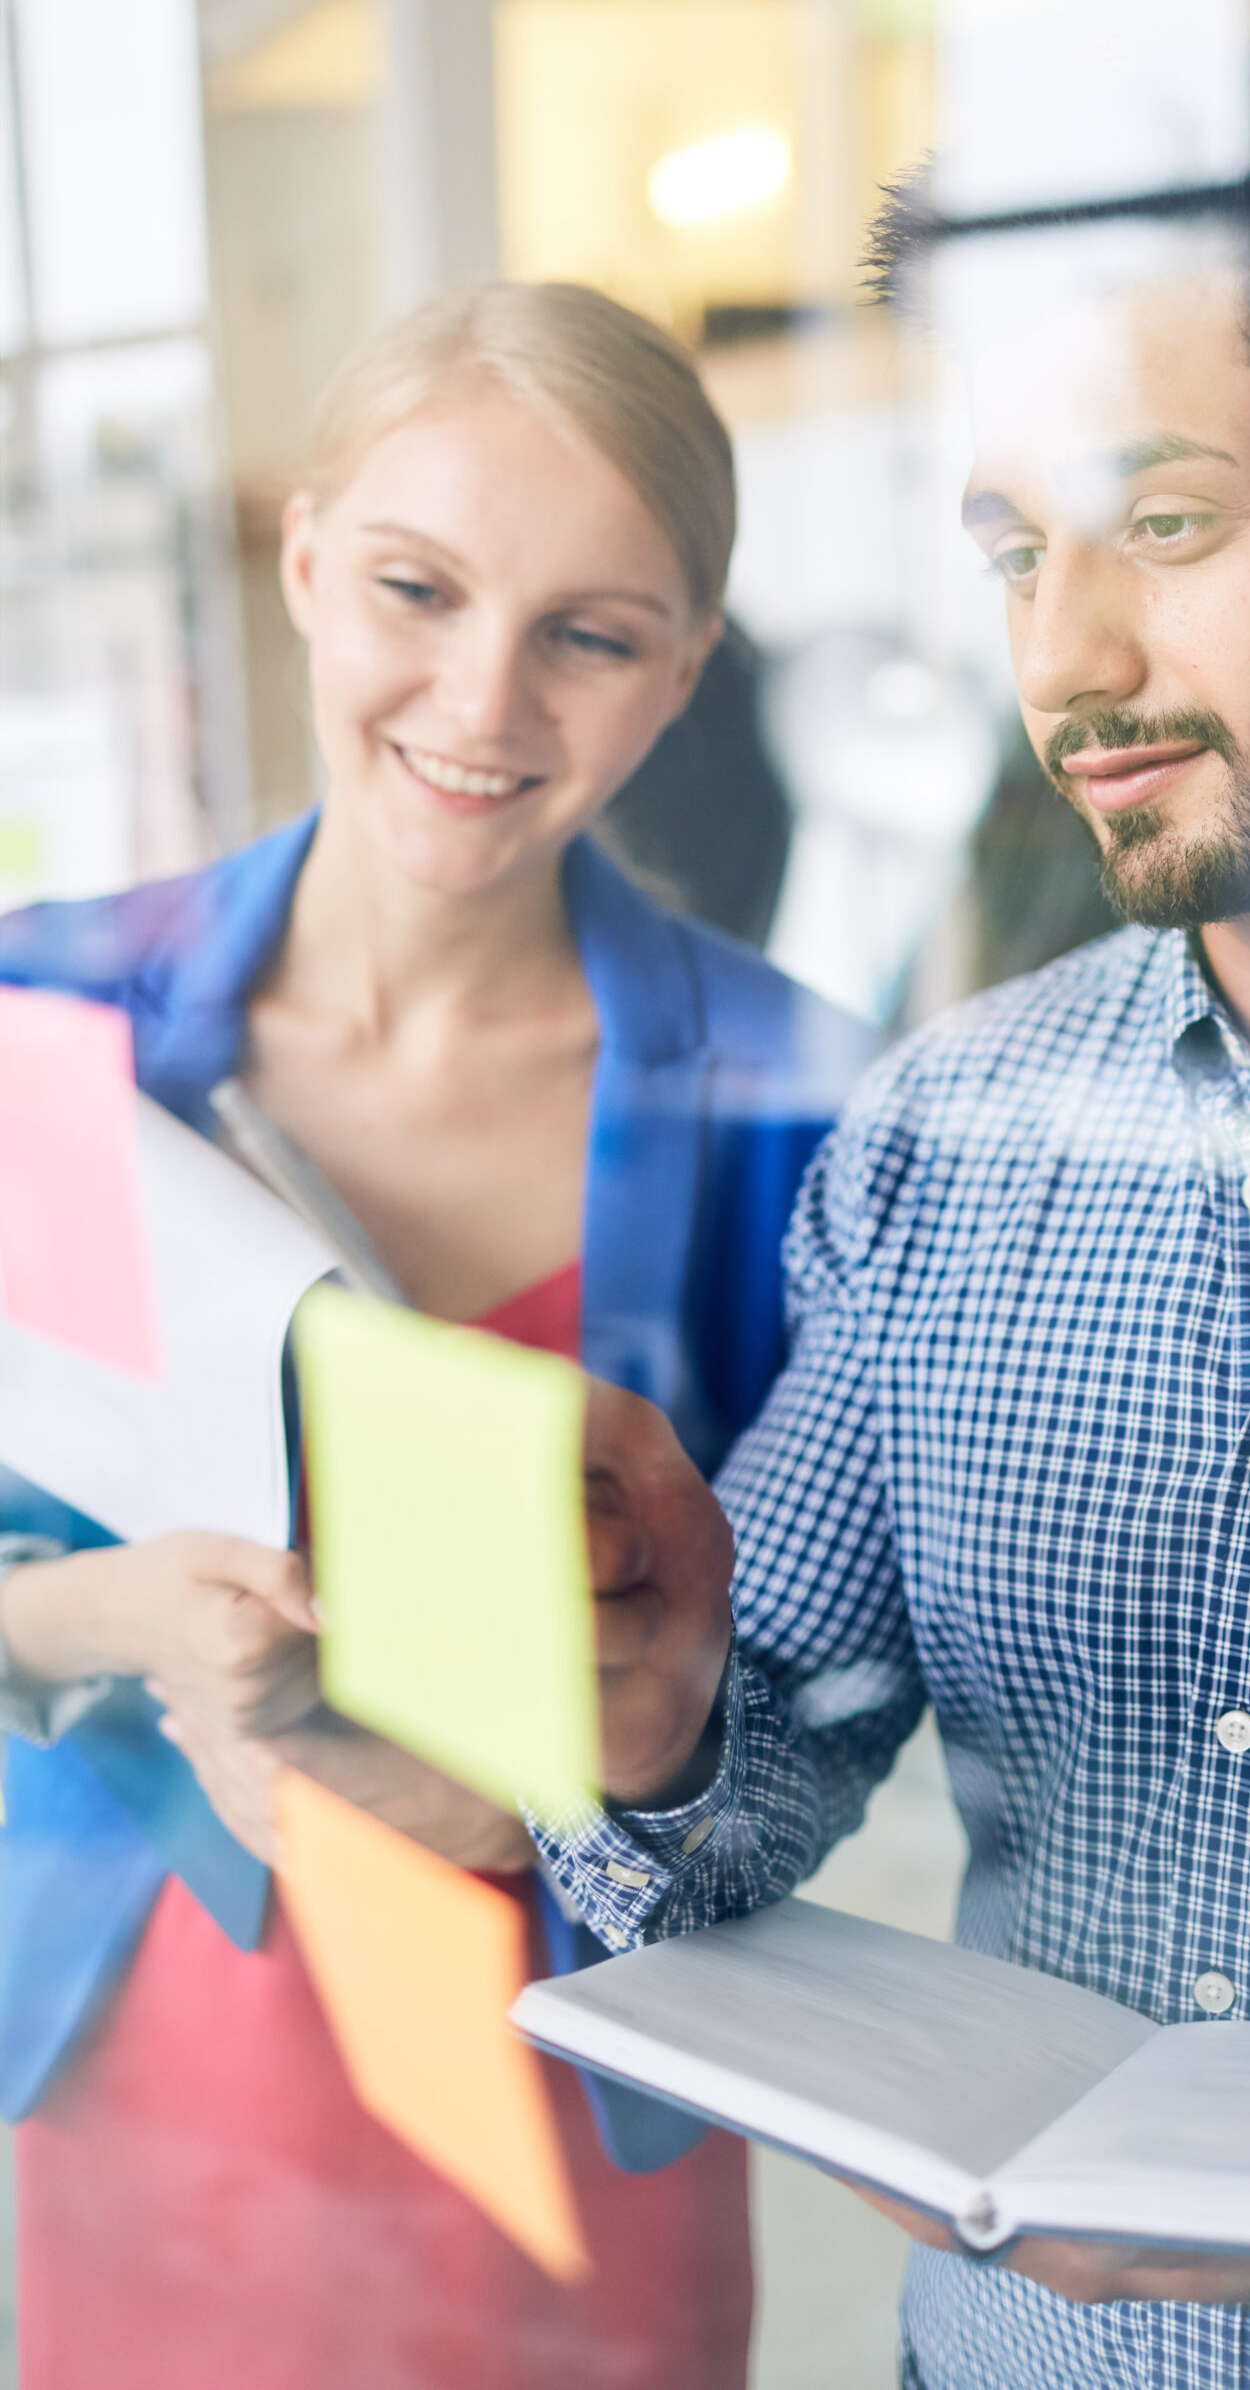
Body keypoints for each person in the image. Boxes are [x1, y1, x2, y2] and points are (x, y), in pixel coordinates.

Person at [528, 101, 1250, 2388]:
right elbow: (744, 1783)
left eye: (1163, 522)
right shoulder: (950, 1140)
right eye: (1009, 549)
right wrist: (651, 1702)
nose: (1062, 655)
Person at [0, 281, 867, 2390]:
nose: (484, 695)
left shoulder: (810, 1110)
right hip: (155, 2072)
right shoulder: (53, 1026)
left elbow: (828, 1715)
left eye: (592, 630)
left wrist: (554, 1786)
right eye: (415, 584)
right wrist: (117, 1619)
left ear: (677, 678)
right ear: (303, 557)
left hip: (577, 2107)